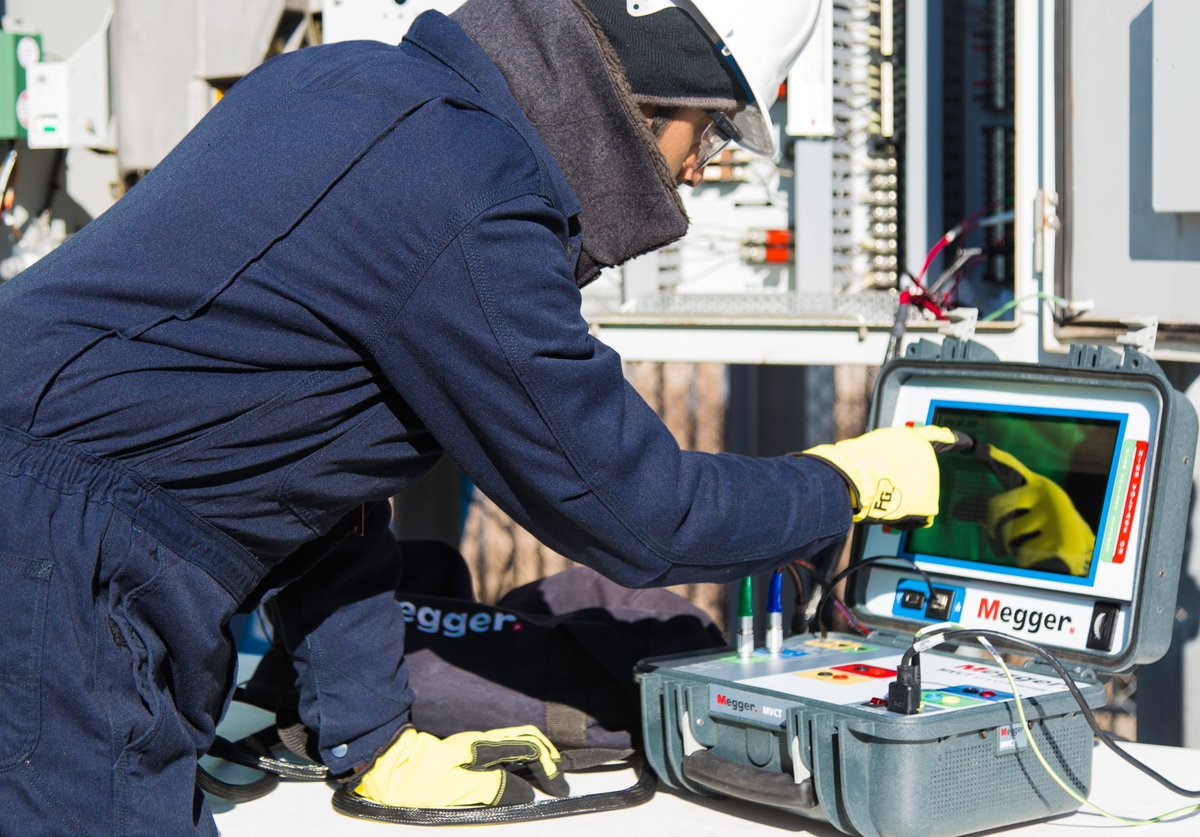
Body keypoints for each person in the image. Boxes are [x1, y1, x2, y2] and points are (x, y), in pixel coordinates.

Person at [0, 0, 959, 832]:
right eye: (708, 134)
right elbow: (639, 512)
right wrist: (844, 483)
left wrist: (370, 734)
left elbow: (322, 475)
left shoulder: (347, 87)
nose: (699, 173)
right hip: (56, 565)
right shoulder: (472, 195)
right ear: (653, 88)